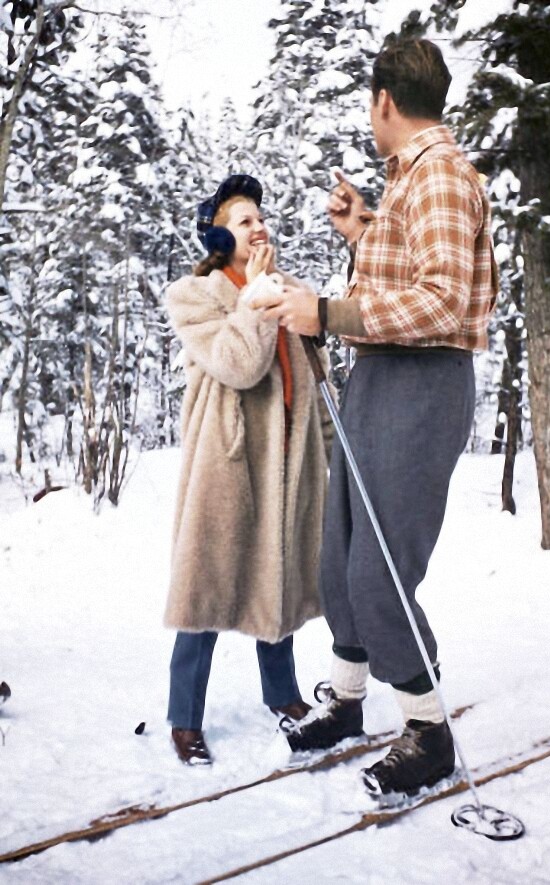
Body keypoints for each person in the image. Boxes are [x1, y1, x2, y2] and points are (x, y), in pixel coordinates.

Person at [252, 39, 498, 799]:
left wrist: (326, 312)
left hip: (421, 384)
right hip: (382, 377)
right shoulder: (410, 180)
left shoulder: (441, 176)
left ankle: (428, 731)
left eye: (369, 103)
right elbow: (410, 276)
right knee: (341, 557)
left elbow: (443, 301)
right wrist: (363, 232)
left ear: (384, 100)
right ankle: (350, 701)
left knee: (379, 569)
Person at [164, 174, 333, 764]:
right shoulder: (195, 295)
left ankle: (282, 694)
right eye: (244, 221)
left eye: (261, 218)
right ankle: (184, 717)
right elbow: (239, 364)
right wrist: (257, 296)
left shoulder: (292, 293)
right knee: (206, 584)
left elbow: (316, 382)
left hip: (288, 460)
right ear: (218, 236)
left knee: (278, 576)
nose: (259, 227)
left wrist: (330, 455)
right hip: (227, 463)